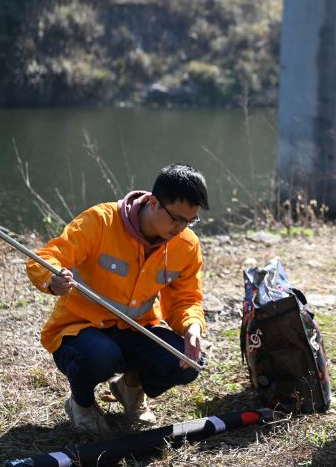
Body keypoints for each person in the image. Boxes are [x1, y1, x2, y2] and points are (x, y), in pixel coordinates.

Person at [26, 164, 208, 434]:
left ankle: (130, 384)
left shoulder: (186, 245)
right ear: (154, 202)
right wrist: (52, 281)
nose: (181, 228)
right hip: (81, 329)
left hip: (137, 328)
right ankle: (82, 403)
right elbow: (46, 258)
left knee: (187, 362)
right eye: (176, 219)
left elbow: (186, 298)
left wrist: (192, 327)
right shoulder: (101, 221)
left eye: (189, 221)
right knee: (100, 356)